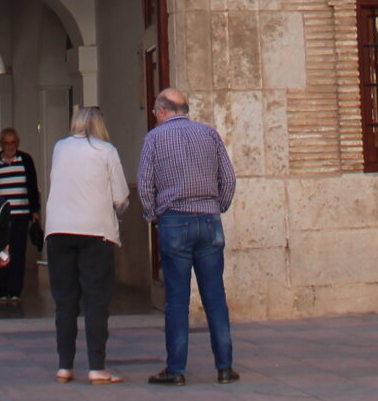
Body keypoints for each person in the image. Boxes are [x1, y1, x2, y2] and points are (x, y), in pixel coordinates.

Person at [137, 85, 237, 385]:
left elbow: (145, 184)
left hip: (174, 221)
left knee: (178, 299)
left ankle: (176, 369)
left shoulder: (154, 138)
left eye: (155, 112)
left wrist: (154, 216)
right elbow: (228, 178)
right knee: (215, 296)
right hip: (209, 220)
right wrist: (217, 206)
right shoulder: (209, 134)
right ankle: (224, 367)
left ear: (163, 110)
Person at [42, 104, 131, 384]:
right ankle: (96, 366)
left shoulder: (60, 147)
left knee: (65, 301)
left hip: (59, 230)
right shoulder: (106, 151)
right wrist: (118, 211)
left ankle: (64, 366)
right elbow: (120, 196)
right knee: (96, 301)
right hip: (95, 232)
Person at [0, 127, 42, 312]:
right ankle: (1, 288)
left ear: (17, 144)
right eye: (6, 143)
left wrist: (35, 210)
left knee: (18, 253)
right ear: (1, 144)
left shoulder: (25, 160)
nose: (10, 146)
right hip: (0, 217)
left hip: (20, 215)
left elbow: (32, 186)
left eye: (13, 143)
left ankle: (15, 290)